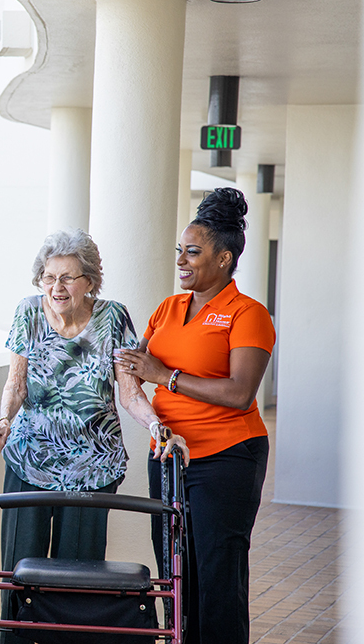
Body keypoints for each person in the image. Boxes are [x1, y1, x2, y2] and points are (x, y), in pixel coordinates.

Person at [0, 229, 188, 644]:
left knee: (77, 578)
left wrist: (155, 425)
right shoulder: (28, 313)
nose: (56, 287)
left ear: (90, 281)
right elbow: (16, 385)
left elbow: (129, 393)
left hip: (92, 468)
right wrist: (4, 419)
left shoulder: (113, 318)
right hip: (29, 460)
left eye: (67, 278)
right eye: (48, 277)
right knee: (17, 572)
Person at [115, 188, 275, 644]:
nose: (181, 260)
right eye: (179, 250)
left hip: (227, 456)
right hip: (169, 456)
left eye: (192, 252)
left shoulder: (248, 314)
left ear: (224, 258)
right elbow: (134, 365)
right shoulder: (168, 308)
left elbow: (240, 393)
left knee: (217, 571)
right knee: (176, 567)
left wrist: (164, 376)